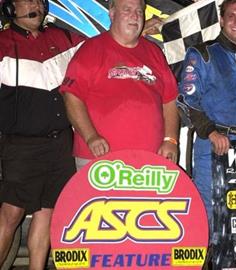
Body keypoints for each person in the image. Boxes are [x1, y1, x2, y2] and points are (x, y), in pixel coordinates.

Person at [0, 0, 85, 268]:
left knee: (48, 212)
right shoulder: (2, 43)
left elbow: (103, 46)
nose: (35, 4)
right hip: (20, 146)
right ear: (10, 8)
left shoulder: (63, 37)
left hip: (60, 144)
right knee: (11, 214)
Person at [60, 0, 179, 170]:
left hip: (150, 161)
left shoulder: (154, 52)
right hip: (100, 161)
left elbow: (170, 99)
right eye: (127, 9)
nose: (135, 15)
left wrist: (171, 140)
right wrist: (90, 136)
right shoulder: (91, 49)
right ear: (112, 13)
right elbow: (71, 96)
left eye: (139, 11)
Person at [178, 0, 236, 230]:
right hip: (212, 146)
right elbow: (186, 99)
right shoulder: (202, 53)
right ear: (221, 20)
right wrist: (211, 133)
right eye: (231, 15)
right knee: (209, 219)